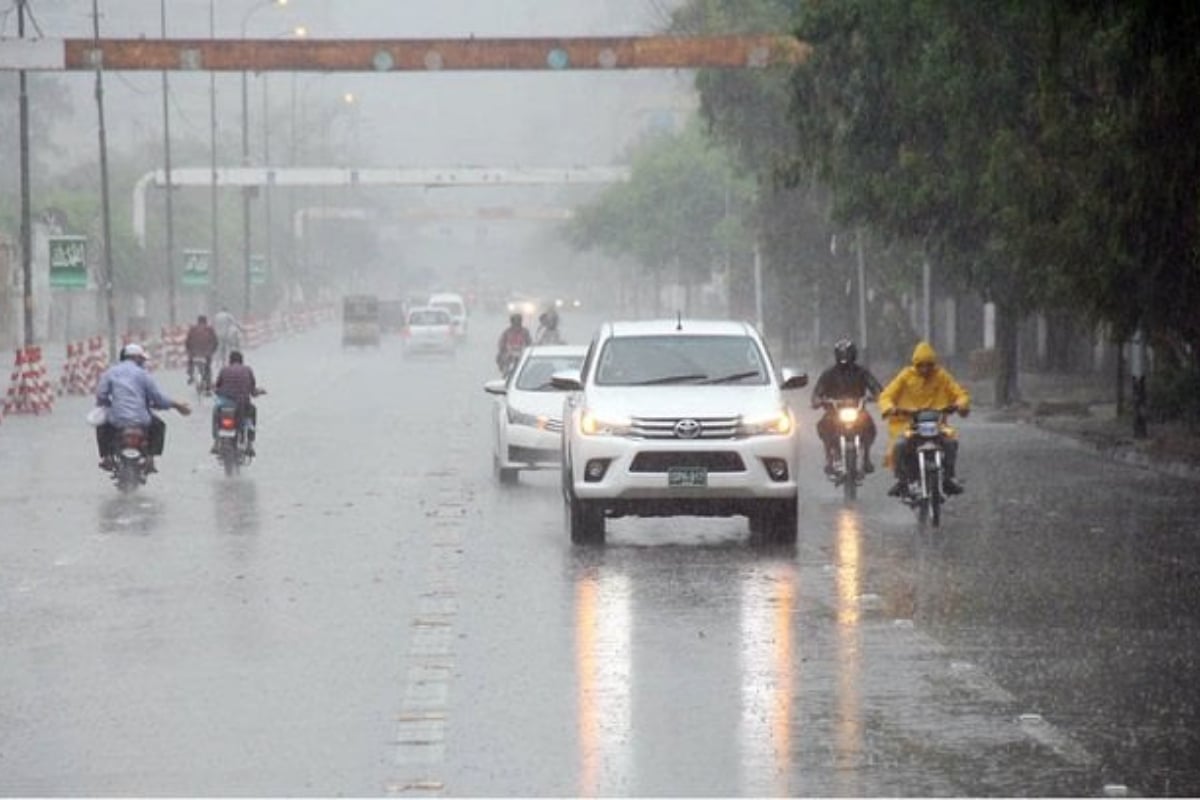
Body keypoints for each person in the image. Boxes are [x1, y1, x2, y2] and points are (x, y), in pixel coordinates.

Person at [878, 340, 971, 496]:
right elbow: (886, 395)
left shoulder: (941, 376)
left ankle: (948, 477)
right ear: (915, 364)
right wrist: (890, 408)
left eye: (929, 365)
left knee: (950, 443)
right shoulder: (905, 376)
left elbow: (960, 393)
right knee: (900, 446)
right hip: (909, 424)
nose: (925, 369)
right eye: (921, 365)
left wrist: (960, 405)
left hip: (937, 424)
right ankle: (903, 481)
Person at [94, 343, 192, 472]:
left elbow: (101, 395)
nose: (143, 362)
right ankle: (151, 458)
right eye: (142, 359)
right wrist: (177, 406)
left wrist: (108, 404)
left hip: (117, 420)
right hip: (141, 420)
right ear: (136, 358)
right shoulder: (143, 375)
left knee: (101, 426)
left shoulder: (111, 372)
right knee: (159, 426)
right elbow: (158, 398)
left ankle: (106, 457)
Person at [810, 338, 883, 475]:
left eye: (847, 354)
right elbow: (817, 393)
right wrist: (819, 401)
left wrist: (876, 397)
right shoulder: (829, 374)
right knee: (823, 426)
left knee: (870, 427)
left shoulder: (861, 372)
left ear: (853, 354)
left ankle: (866, 457)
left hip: (858, 411)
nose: (844, 358)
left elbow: (876, 388)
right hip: (834, 412)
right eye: (841, 354)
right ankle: (830, 458)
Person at [211, 349, 264, 456]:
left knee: (215, 413)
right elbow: (252, 391)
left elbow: (217, 387)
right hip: (243, 403)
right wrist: (259, 392)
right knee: (252, 413)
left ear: (230, 361)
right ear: (242, 361)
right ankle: (250, 443)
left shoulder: (224, 370)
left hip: (226, 404)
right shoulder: (248, 370)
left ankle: (216, 441)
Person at [184, 314, 218, 387]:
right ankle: (208, 386)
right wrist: (212, 351)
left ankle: (191, 374)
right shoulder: (210, 329)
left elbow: (187, 342)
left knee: (190, 362)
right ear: (206, 321)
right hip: (207, 353)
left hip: (194, 353)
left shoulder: (192, 329)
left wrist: (189, 351)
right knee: (208, 368)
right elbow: (215, 342)